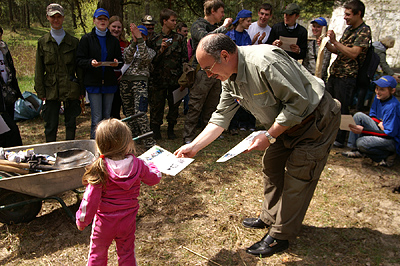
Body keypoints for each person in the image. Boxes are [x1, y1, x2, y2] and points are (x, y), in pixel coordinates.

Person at [175, 33, 341, 257]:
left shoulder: (264, 62)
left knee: (299, 175)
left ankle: (280, 236)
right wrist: (194, 146)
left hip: (315, 120)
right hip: (286, 124)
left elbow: (299, 102)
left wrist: (270, 136)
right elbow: (221, 117)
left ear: (224, 55)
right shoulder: (228, 77)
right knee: (271, 165)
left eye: (208, 68)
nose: (208, 74)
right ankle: (270, 217)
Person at [76, 118, 162, 265]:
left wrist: (82, 220)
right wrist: (153, 166)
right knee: (127, 253)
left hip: (104, 224)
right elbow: (154, 178)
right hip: (127, 222)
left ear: (100, 145)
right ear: (128, 142)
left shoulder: (100, 168)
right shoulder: (138, 164)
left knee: (97, 254)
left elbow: (90, 200)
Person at [182, 0, 232, 144]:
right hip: (203, 72)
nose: (223, 15)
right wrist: (224, 27)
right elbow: (207, 39)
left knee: (213, 104)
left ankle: (208, 134)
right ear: (212, 11)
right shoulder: (198, 25)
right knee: (196, 104)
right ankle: (189, 136)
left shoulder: (216, 27)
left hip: (217, 71)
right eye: (221, 12)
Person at [325, 0, 371, 148]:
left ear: (358, 14)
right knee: (329, 105)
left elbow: (354, 53)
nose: (345, 17)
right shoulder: (349, 30)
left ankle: (340, 138)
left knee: (342, 108)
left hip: (347, 77)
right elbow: (338, 51)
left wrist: (335, 42)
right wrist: (327, 43)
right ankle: (328, 134)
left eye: (348, 14)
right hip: (335, 73)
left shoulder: (364, 31)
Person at [34, 3, 82, 143]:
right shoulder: (43, 42)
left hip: (70, 87)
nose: (56, 20)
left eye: (59, 17)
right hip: (51, 88)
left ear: (63, 18)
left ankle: (70, 151)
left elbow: (78, 68)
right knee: (50, 124)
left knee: (71, 123)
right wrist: (40, 92)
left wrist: (81, 89)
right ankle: (50, 152)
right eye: (53, 17)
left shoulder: (73, 42)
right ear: (48, 18)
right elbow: (38, 69)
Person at [76, 8, 122, 139]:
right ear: (94, 21)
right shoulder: (86, 39)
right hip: (93, 83)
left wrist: (115, 63)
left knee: (107, 117)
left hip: (109, 83)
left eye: (105, 19)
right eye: (99, 19)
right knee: (97, 118)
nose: (102, 21)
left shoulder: (113, 40)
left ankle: (106, 145)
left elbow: (120, 60)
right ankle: (95, 146)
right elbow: (79, 60)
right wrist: (90, 62)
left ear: (108, 22)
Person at [342, 76, 400, 167]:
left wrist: (363, 130)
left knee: (362, 142)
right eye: (377, 88)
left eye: (382, 89)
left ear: (392, 91)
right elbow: (372, 115)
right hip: (381, 129)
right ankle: (354, 150)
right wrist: (379, 123)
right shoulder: (378, 98)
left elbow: (389, 133)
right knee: (358, 115)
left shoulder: (393, 107)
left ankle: (385, 156)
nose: (377, 91)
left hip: (391, 139)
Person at [148, 8, 188, 140]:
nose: (175, 23)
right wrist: (161, 50)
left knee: (174, 106)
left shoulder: (180, 39)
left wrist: (184, 79)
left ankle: (171, 129)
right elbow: (151, 60)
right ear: (164, 21)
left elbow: (184, 60)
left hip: (174, 80)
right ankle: (156, 130)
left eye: (176, 20)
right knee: (156, 106)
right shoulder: (153, 39)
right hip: (157, 79)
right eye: (172, 20)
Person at [119, 24, 156, 149]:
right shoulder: (130, 48)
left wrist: (140, 40)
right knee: (128, 113)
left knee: (140, 112)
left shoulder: (150, 51)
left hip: (140, 83)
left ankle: (148, 142)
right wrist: (134, 43)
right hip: (125, 83)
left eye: (142, 36)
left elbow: (145, 57)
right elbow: (126, 58)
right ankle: (133, 139)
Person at [225, 9, 256, 134]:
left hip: (243, 71)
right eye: (248, 21)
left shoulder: (246, 36)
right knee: (231, 97)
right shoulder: (229, 35)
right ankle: (232, 126)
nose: (250, 23)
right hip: (230, 71)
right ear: (241, 20)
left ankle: (243, 124)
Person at [0, 26, 23, 147]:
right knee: (10, 132)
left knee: (10, 129)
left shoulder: (4, 49)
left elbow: (10, 70)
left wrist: (14, 90)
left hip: (8, 95)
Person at [108, 16, 130, 120]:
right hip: (109, 79)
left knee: (123, 108)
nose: (116, 29)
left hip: (123, 80)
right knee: (111, 110)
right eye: (114, 26)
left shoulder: (126, 44)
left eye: (119, 27)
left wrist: (123, 75)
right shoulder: (105, 42)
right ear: (109, 26)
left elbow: (130, 62)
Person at [302, 17, 331, 82]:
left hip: (320, 79)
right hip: (309, 77)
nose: (315, 29)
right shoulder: (310, 44)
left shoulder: (328, 45)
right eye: (314, 26)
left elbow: (324, 64)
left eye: (318, 27)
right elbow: (306, 62)